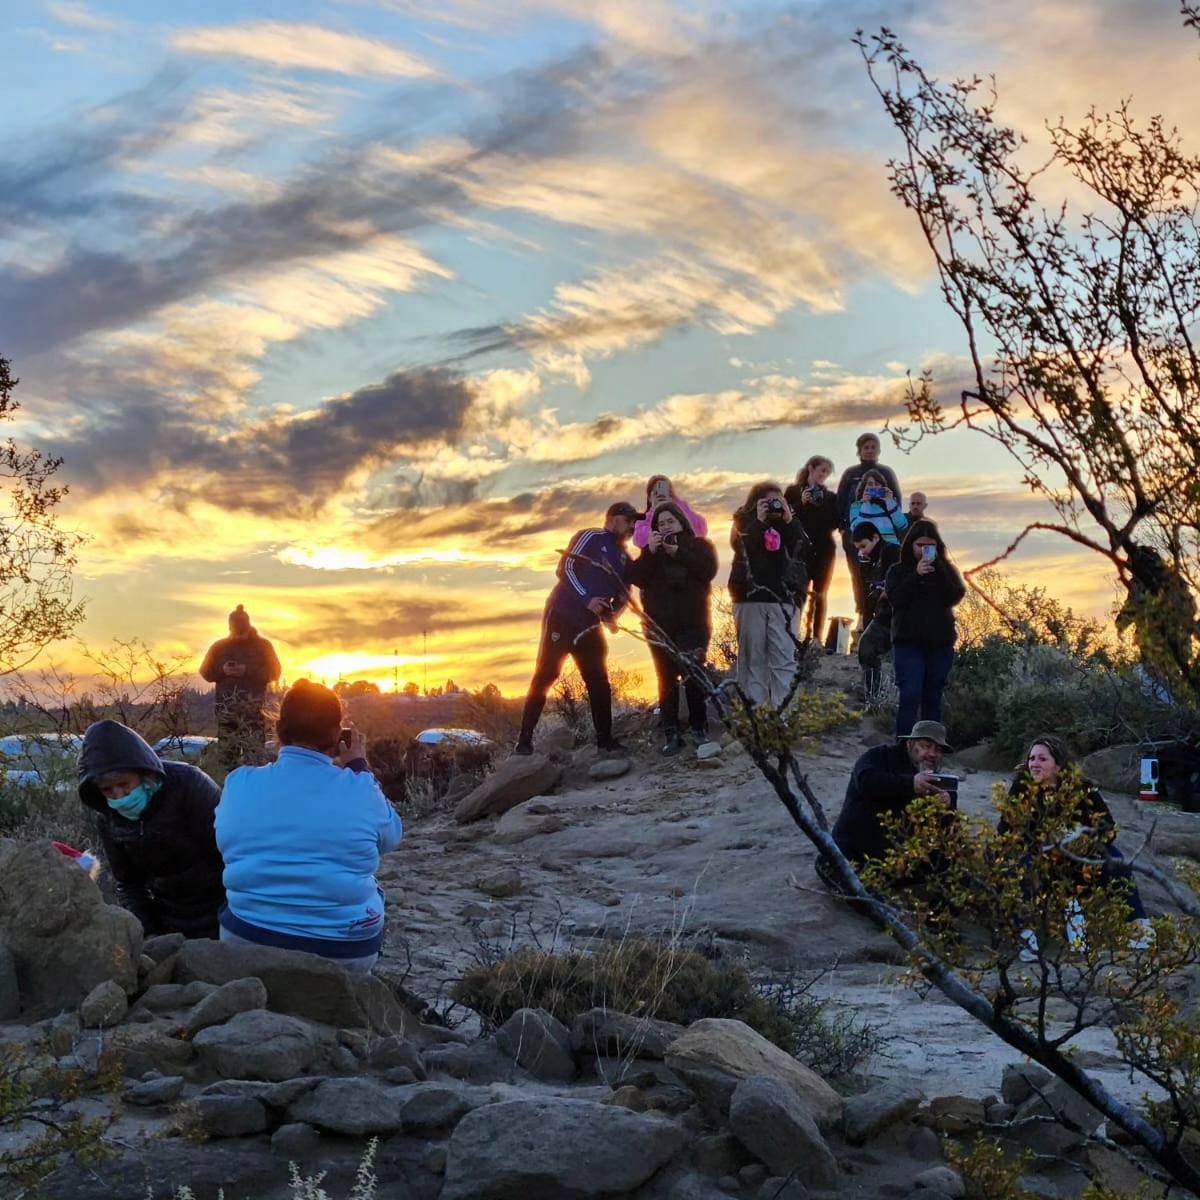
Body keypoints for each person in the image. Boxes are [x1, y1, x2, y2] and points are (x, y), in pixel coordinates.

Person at [215, 679, 403, 971]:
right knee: (371, 889)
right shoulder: (359, 788)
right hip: (345, 952)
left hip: (247, 940)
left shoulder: (239, 782)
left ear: (278, 729)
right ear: (337, 735)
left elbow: (224, 843)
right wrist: (359, 767)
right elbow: (392, 838)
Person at [1001, 734, 1151, 957]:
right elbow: (1005, 829)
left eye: (1042, 759)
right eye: (1032, 758)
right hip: (1038, 854)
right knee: (1018, 865)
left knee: (1116, 860)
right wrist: (1039, 843)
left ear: (1058, 765)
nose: (1034, 764)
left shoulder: (1082, 788)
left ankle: (1138, 928)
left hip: (1079, 856)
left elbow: (1107, 827)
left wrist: (1081, 842)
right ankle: (1026, 937)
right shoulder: (1021, 789)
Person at [78, 719, 225, 938]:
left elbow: (231, 851)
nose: (119, 796)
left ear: (143, 774)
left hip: (222, 909)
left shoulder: (189, 785)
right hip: (169, 919)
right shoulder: (109, 819)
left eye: (124, 784)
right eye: (107, 790)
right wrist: (148, 933)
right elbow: (129, 883)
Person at [515, 502, 638, 755]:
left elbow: (625, 592)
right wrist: (587, 599)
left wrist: (612, 614)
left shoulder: (625, 558)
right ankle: (524, 741)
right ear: (613, 519)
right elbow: (565, 568)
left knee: (598, 681)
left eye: (635, 523)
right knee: (546, 675)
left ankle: (605, 741)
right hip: (562, 615)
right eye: (628, 521)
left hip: (590, 625)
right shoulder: (590, 536)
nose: (632, 527)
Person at [627, 501, 719, 754]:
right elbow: (636, 578)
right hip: (660, 628)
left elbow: (707, 570)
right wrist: (650, 552)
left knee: (693, 676)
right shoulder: (650, 553)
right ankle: (672, 734)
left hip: (693, 625)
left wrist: (678, 552)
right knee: (666, 679)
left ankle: (699, 729)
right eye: (661, 523)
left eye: (671, 521)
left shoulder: (699, 546)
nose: (667, 526)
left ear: (681, 521)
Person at [827, 720, 955, 869]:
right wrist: (910, 784)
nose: (932, 754)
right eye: (926, 746)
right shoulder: (879, 756)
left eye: (938, 750)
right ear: (909, 744)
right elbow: (865, 782)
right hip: (854, 850)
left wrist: (947, 806)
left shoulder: (937, 781)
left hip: (895, 859)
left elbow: (945, 831)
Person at [728, 481, 808, 707]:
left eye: (778, 500)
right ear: (755, 503)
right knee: (753, 662)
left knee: (785, 660)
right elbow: (741, 547)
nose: (773, 506)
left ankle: (783, 717)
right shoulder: (743, 521)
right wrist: (759, 522)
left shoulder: (790, 523)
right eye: (768, 501)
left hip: (784, 598)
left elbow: (804, 550)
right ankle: (756, 717)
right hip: (749, 598)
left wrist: (789, 520)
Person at [884, 520, 966, 736]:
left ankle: (930, 747)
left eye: (930, 546)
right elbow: (896, 599)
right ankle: (903, 747)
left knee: (933, 697)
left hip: (939, 643)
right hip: (908, 642)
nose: (924, 550)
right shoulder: (897, 571)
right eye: (920, 545)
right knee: (910, 694)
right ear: (911, 545)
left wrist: (940, 569)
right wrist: (916, 576)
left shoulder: (946, 570)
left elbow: (955, 595)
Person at [199, 604, 282, 765]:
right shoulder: (219, 647)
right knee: (227, 762)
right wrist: (222, 670)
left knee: (255, 761)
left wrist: (247, 671)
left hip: (254, 715)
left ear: (248, 625)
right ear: (230, 626)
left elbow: (275, 672)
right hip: (226, 715)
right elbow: (205, 671)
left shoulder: (263, 646)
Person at [836, 434, 903, 620]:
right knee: (859, 575)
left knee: (886, 572)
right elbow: (841, 501)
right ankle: (862, 615)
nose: (870, 451)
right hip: (856, 534)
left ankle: (886, 614)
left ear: (879, 450)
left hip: (884, 535)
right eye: (866, 447)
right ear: (859, 450)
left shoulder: (886, 473)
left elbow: (897, 500)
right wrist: (843, 528)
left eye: (873, 447)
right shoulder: (851, 474)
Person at [785, 456, 838, 645]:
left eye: (827, 472)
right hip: (801, 549)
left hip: (824, 549)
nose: (824, 475)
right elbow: (787, 518)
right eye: (822, 470)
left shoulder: (830, 497)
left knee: (820, 594)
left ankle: (816, 639)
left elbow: (835, 523)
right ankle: (793, 636)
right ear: (811, 468)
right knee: (799, 592)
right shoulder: (792, 492)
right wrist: (801, 503)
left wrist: (822, 505)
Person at [852, 522, 901, 700]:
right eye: (858, 548)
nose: (862, 552)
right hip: (883, 617)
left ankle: (899, 699)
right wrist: (866, 626)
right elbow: (867, 598)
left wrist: (888, 589)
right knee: (866, 647)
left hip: (903, 616)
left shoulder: (893, 552)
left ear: (875, 538)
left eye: (863, 546)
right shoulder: (865, 562)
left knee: (901, 659)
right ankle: (873, 696)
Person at [632, 476, 708, 549]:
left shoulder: (682, 510)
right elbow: (640, 540)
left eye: (664, 490)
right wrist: (655, 510)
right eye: (655, 492)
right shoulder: (643, 522)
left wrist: (677, 506)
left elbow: (701, 529)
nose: (660, 494)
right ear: (649, 498)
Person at [848, 470, 909, 547]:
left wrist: (889, 501)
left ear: (882, 487)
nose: (873, 487)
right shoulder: (856, 506)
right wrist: (866, 504)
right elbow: (855, 528)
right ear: (864, 487)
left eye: (877, 484)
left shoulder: (890, 503)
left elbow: (902, 525)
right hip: (869, 549)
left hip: (891, 548)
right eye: (870, 484)